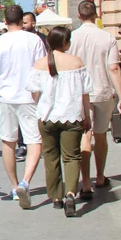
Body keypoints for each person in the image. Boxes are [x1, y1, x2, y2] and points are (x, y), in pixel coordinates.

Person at [0, 5, 47, 209]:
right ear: (22, 19)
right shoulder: (34, 40)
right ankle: (26, 181)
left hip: (7, 97)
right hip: (30, 96)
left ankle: (14, 185)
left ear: (5, 21)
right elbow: (42, 68)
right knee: (35, 140)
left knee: (9, 141)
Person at [25, 26, 92, 217]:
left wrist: (42, 104)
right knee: (72, 157)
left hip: (47, 117)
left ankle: (56, 196)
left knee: (51, 157)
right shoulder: (76, 62)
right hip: (72, 115)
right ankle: (71, 192)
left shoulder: (39, 63)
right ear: (66, 42)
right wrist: (87, 115)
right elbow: (85, 93)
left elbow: (33, 90)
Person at [68, 0, 121, 197]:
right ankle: (100, 175)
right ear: (96, 14)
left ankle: (85, 182)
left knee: (85, 135)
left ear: (79, 16)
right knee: (101, 135)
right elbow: (114, 68)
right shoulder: (107, 38)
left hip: (79, 93)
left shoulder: (72, 38)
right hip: (102, 91)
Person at [19, 12, 48, 160]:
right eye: (22, 22)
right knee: (21, 115)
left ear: (33, 23)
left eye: (26, 22)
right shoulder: (17, 39)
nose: (23, 25)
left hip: (39, 83)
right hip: (21, 84)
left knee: (39, 114)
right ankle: (22, 145)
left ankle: (40, 143)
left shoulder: (42, 39)